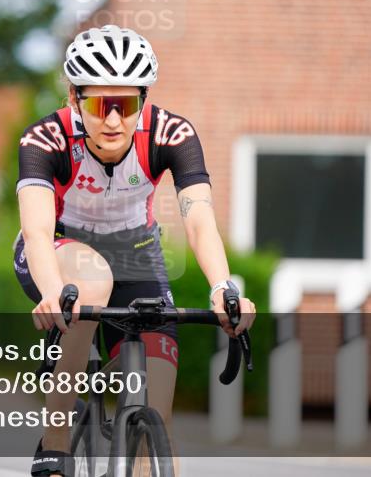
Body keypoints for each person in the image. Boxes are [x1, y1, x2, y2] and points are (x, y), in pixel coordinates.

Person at [14, 25, 256, 476]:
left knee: (158, 408)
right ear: (73, 98)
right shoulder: (44, 139)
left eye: (124, 105)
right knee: (93, 277)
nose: (112, 121)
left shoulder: (170, 134)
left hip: (136, 252)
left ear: (142, 101)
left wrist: (224, 287)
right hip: (60, 248)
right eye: (97, 104)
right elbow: (36, 230)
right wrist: (52, 292)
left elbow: (200, 220)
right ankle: (57, 436)